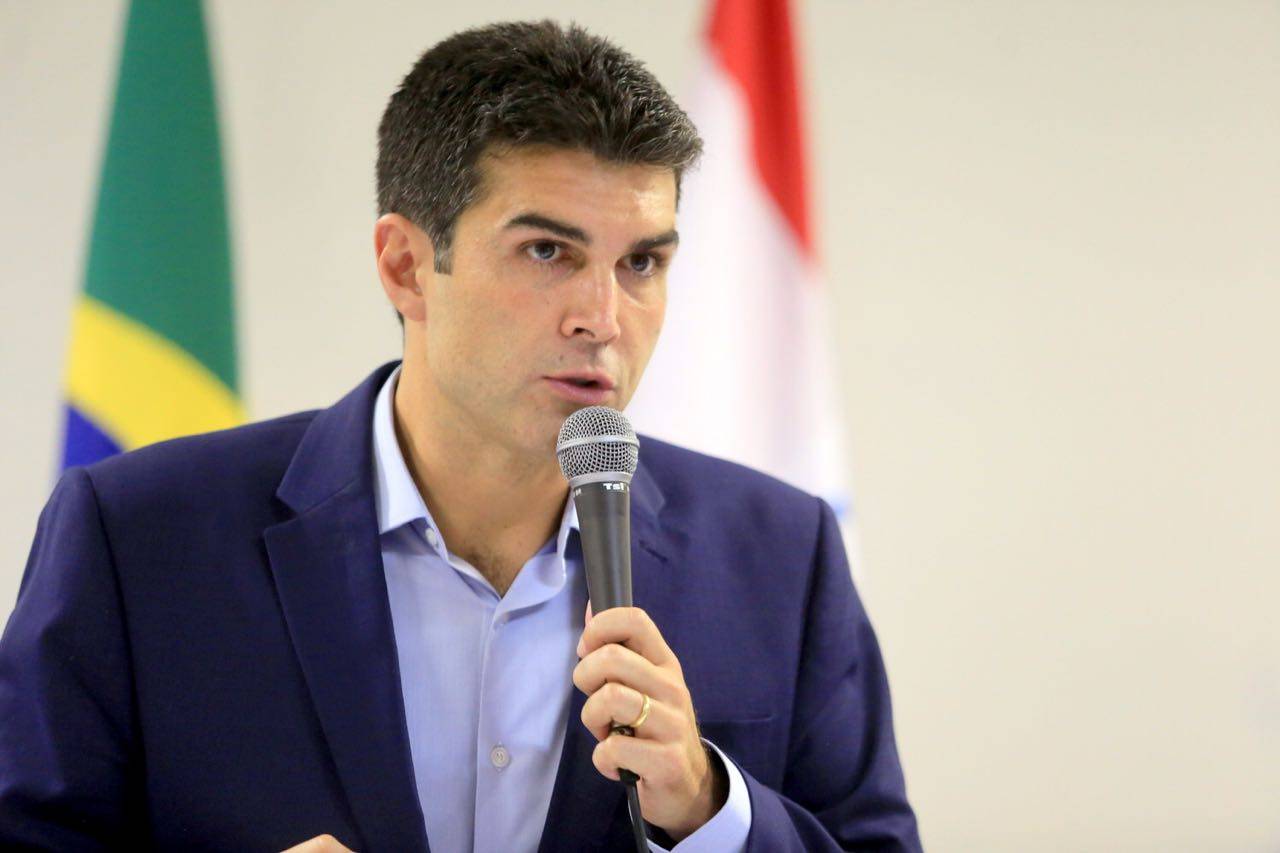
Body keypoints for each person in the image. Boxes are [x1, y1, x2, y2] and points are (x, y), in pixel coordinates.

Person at [0, 20, 921, 852]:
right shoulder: (137, 536)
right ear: (406, 266)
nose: (603, 318)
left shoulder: (781, 555)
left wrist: (714, 809)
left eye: (641, 261)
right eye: (548, 251)